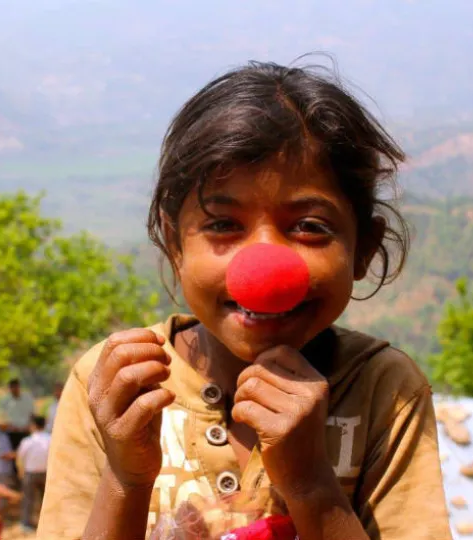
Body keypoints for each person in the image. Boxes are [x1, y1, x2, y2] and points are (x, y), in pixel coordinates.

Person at [38, 60, 452, 540]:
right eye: (223, 224)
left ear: (363, 249)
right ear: (174, 244)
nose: (264, 271)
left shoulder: (383, 389)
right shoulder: (117, 387)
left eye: (309, 226)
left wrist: (310, 483)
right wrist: (127, 477)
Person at [16, 415, 51, 532]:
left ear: (34, 426)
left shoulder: (28, 441)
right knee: (46, 500)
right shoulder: (50, 439)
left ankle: (26, 523)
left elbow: (20, 457)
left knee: (28, 499)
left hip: (30, 473)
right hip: (46, 473)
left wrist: (20, 472)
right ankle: (46, 523)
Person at [0, 378, 35, 451]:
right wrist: (8, 425)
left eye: (16, 387)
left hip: (25, 432)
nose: (14, 389)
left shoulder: (27, 398)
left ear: (19, 387)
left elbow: (32, 414)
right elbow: (1, 417)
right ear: (10, 388)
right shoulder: (6, 400)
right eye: (12, 387)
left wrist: (30, 426)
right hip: (11, 433)